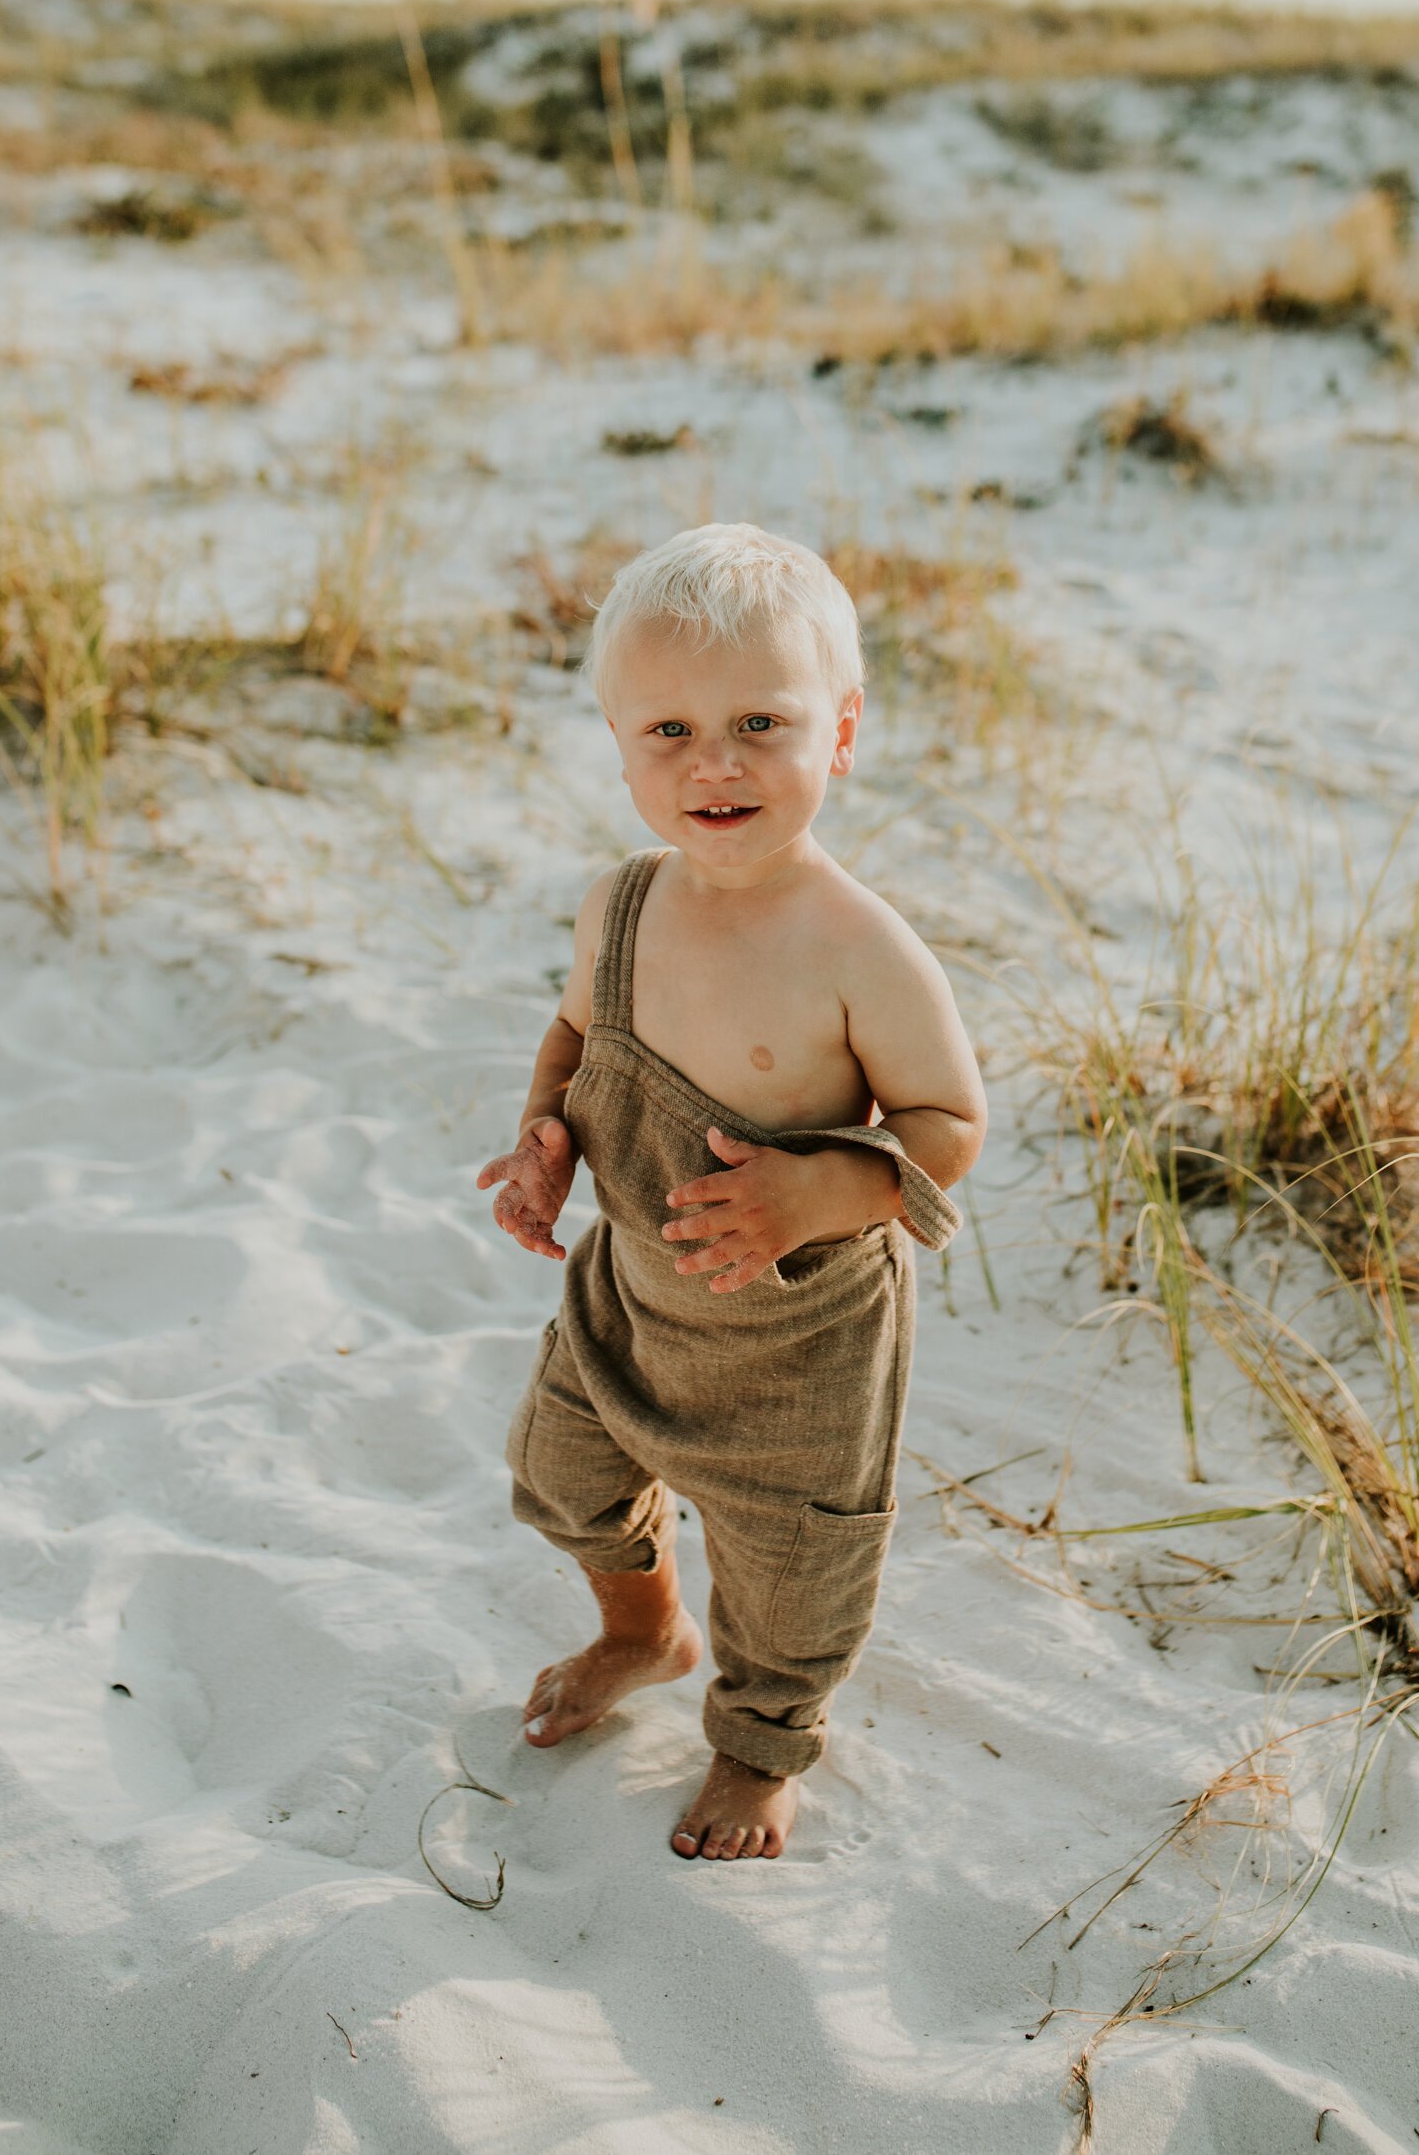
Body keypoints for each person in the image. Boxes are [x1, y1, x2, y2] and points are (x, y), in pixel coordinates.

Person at [478, 523, 987, 1861]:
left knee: (793, 1571)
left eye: (763, 720)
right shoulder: (623, 906)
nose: (717, 762)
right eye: (670, 731)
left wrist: (824, 1192)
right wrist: (546, 1140)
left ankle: (761, 1745)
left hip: (797, 1345)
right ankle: (643, 1632)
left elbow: (949, 1121)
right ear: (619, 741)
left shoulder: (859, 948)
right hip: (634, 1298)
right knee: (561, 1470)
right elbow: (581, 1040)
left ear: (844, 730)